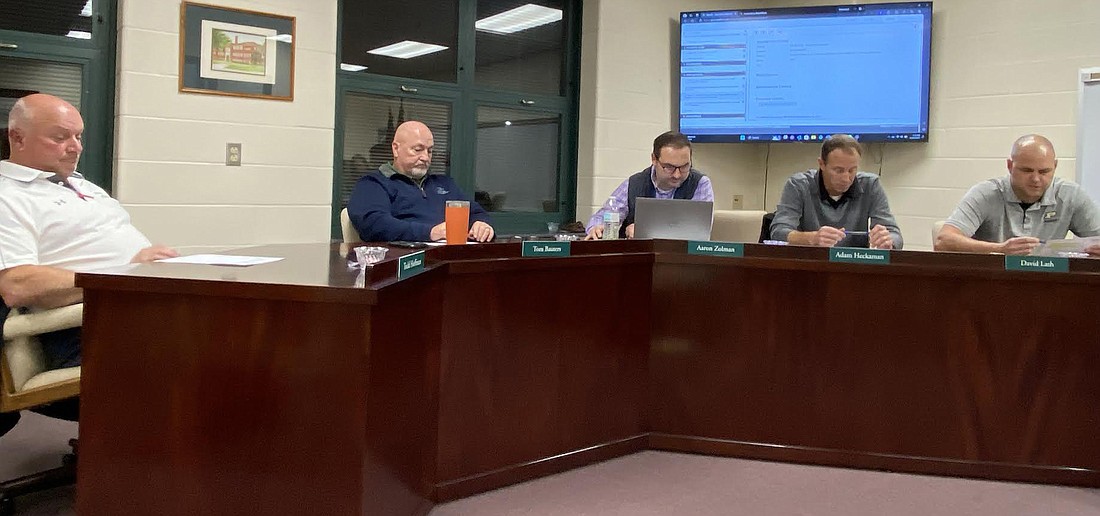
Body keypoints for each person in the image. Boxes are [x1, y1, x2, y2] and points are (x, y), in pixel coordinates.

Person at [0, 94, 178, 373]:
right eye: (60, 137)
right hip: (87, 325)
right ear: (18, 138)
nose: (76, 147)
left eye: (78, 137)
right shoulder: (8, 195)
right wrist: (127, 271)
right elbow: (16, 284)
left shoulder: (84, 186)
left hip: (140, 307)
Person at [935, 134, 1100, 256]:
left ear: (1055, 167)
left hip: (1048, 283)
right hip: (994, 281)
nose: (1036, 179)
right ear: (1009, 166)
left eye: (1044, 171)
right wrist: (999, 249)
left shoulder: (1070, 195)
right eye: (1027, 170)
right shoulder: (986, 193)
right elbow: (943, 241)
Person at [347, 121, 494, 242]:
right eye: (418, 150)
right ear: (396, 149)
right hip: (403, 261)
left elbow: (475, 212)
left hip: (450, 258)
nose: (425, 157)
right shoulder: (373, 184)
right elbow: (373, 224)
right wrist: (430, 232)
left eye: (429, 151)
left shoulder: (444, 184)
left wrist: (481, 224)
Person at [769, 134, 903, 249]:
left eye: (852, 170)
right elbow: (779, 232)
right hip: (809, 265)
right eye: (838, 170)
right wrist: (812, 238)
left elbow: (895, 235)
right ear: (821, 164)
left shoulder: (870, 185)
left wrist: (888, 241)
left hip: (854, 267)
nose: (846, 178)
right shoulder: (799, 185)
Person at [585, 131, 714, 239]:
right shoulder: (635, 183)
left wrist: (644, 231)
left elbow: (699, 231)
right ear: (654, 159)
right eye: (669, 167)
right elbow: (604, 215)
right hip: (638, 259)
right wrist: (597, 228)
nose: (677, 175)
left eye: (685, 166)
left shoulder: (700, 183)